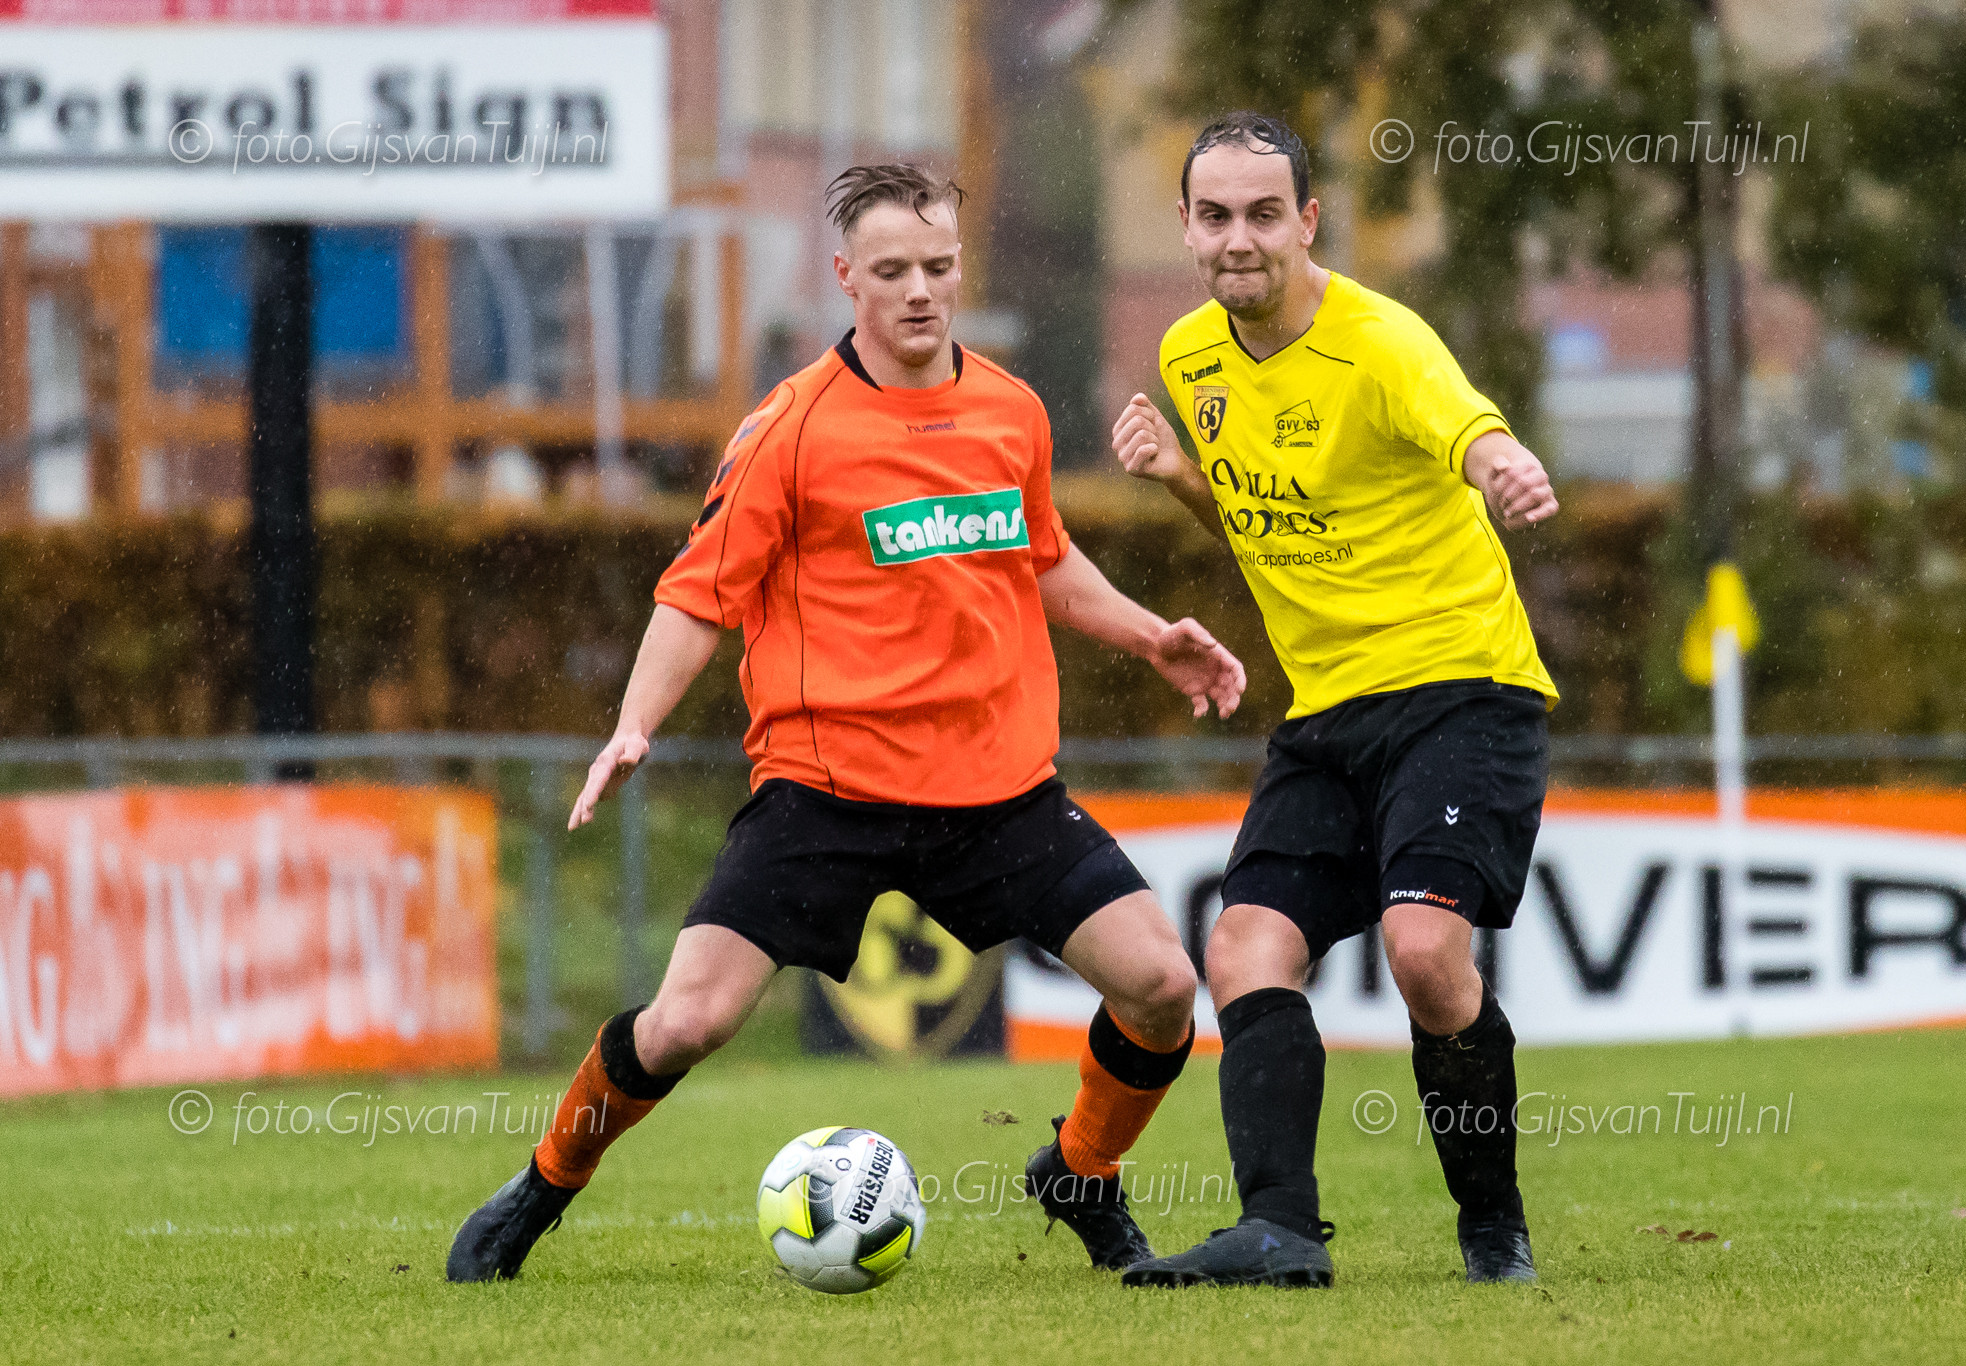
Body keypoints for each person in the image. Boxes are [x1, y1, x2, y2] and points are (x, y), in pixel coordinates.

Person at [446, 163, 1248, 1283]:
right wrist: (633, 722)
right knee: (684, 1023)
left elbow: (1042, 557)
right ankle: (543, 1184)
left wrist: (1150, 635)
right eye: (892, 270)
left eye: (938, 266)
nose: (920, 290)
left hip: (999, 793)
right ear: (845, 277)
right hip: (825, 794)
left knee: (1161, 986)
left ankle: (1079, 1171)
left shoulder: (1011, 409)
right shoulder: (789, 427)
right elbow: (697, 593)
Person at [1110, 112, 1559, 1289]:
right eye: (1216, 215)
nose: (1239, 238)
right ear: (1184, 226)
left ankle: (1493, 1231)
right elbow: (1262, 526)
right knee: (1243, 947)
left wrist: (1500, 463)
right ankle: (1278, 1230)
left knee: (1423, 953)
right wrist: (1180, 479)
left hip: (1460, 688)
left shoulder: (1379, 341)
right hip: (1326, 715)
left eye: (1264, 214)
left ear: (1308, 221)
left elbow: (1462, 423)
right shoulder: (1189, 357)